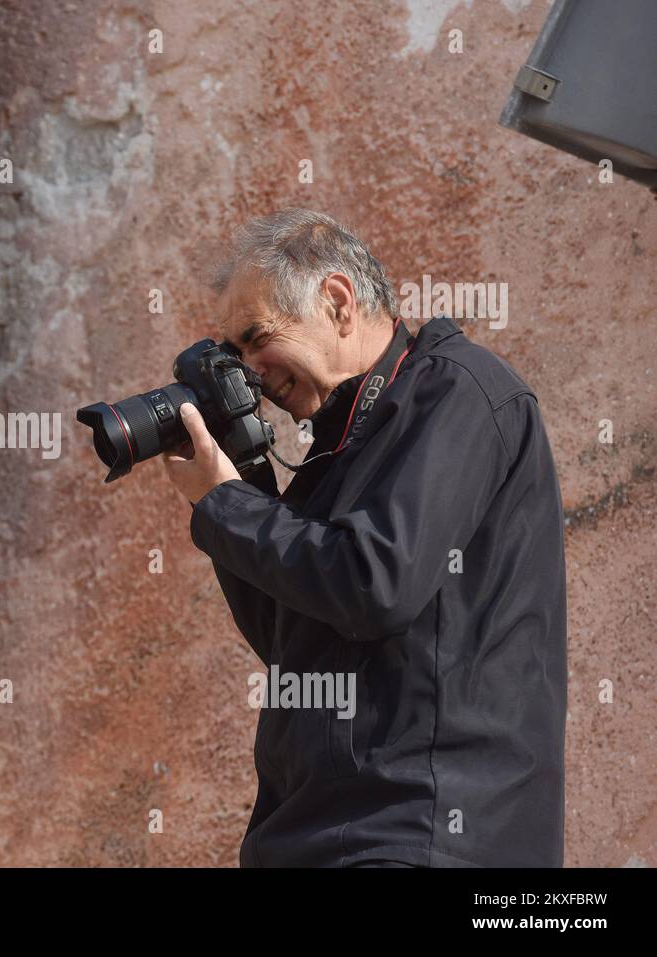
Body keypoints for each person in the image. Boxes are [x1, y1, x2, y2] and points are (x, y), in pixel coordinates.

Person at [163, 209, 567, 867]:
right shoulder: (337, 445)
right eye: (233, 356)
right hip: (320, 837)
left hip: (428, 834)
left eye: (257, 337)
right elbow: (291, 633)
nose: (251, 373)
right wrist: (245, 488)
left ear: (338, 302)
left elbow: (375, 582)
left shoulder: (458, 392)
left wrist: (228, 505)